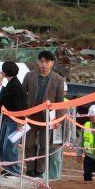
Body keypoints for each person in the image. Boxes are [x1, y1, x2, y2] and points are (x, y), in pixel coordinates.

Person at [21, 50, 65, 178]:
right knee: (28, 143)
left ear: (52, 63)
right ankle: (30, 168)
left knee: (45, 145)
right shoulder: (29, 76)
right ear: (38, 62)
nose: (44, 64)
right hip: (30, 116)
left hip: (47, 117)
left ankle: (40, 169)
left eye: (47, 62)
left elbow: (60, 101)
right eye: (42, 61)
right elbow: (23, 96)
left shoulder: (59, 80)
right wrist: (21, 115)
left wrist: (58, 119)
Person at [0, 61, 27, 177]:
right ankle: (8, 168)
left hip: (15, 121)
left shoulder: (15, 86)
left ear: (4, 72)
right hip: (7, 119)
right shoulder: (12, 84)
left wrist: (20, 121)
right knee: (2, 146)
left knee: (9, 147)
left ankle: (15, 171)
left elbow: (21, 105)